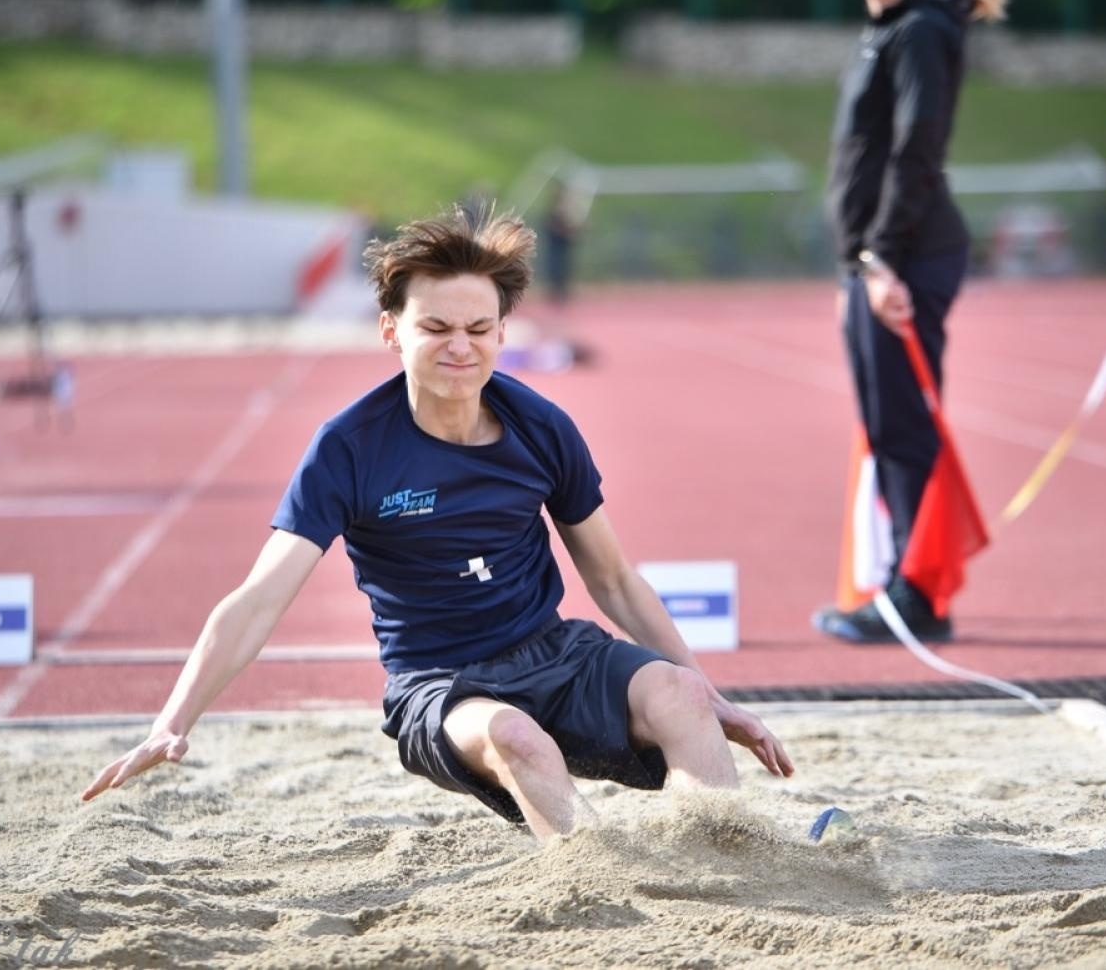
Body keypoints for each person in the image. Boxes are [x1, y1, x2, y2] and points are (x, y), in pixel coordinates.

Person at [81, 208, 793, 836]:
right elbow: (258, 600)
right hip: (441, 686)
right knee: (519, 738)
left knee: (683, 695)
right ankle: (595, 875)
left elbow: (613, 579)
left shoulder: (541, 426)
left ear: (503, 330)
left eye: (480, 328)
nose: (462, 346)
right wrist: (172, 723)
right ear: (392, 331)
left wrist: (716, 699)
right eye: (437, 328)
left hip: (554, 652)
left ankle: (727, 852)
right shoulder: (349, 448)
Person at [811, 0, 1007, 645]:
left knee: (904, 426)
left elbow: (916, 150)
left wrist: (881, 257)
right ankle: (899, 586)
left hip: (907, 254)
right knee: (886, 423)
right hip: (873, 258)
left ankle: (919, 597)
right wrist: (849, 268)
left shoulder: (921, 28)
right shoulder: (885, 28)